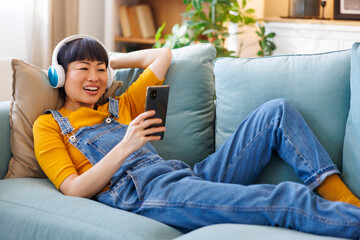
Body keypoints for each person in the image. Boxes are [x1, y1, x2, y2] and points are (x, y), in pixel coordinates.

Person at [33, 35, 360, 239]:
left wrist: (108, 57)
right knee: (284, 199)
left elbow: (162, 55)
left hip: (183, 175)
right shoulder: (50, 125)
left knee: (276, 112)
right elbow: (74, 190)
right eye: (83, 68)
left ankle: (341, 198)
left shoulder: (121, 106)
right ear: (59, 75)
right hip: (149, 195)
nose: (94, 77)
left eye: (100, 69)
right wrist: (125, 145)